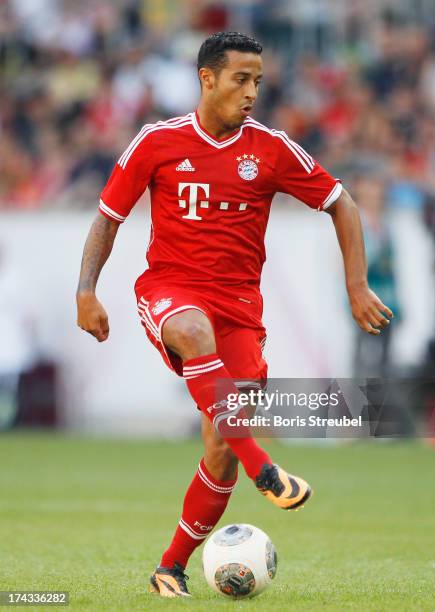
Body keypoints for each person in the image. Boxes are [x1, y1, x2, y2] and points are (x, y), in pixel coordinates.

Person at [76, 32, 393, 598]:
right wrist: (87, 291)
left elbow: (340, 202)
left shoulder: (270, 149)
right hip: (171, 290)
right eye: (241, 79)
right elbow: (108, 216)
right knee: (195, 338)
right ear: (207, 79)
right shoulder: (157, 141)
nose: (251, 93)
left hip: (241, 309)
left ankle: (169, 568)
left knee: (218, 448)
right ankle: (264, 467)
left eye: (259, 82)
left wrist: (356, 284)